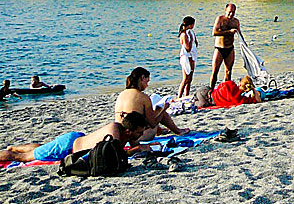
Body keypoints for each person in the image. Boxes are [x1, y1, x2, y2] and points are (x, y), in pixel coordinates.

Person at [0, 112, 150, 163]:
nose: (141, 135)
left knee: (41, 148)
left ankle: (14, 147)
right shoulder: (115, 131)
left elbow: (134, 142)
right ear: (129, 131)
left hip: (77, 140)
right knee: (22, 157)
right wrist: (136, 149)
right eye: (139, 132)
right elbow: (114, 154)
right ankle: (11, 152)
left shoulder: (123, 131)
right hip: (68, 148)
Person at [114, 67, 189, 141]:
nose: (147, 85)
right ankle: (178, 131)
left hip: (122, 134)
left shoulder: (122, 94)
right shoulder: (143, 97)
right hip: (136, 136)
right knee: (159, 110)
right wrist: (164, 108)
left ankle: (160, 130)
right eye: (147, 82)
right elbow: (153, 123)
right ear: (142, 78)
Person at [210, 3, 240, 89]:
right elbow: (214, 32)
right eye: (229, 12)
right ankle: (211, 90)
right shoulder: (220, 19)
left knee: (228, 71)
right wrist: (229, 32)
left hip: (230, 48)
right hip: (219, 48)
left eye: (233, 12)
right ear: (225, 10)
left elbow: (239, 33)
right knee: (215, 71)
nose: (231, 14)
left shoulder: (236, 21)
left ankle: (226, 90)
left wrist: (245, 45)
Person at [177, 16, 198, 98]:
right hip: (186, 56)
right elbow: (187, 48)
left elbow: (196, 43)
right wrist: (191, 39)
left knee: (190, 79)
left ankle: (186, 95)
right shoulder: (184, 34)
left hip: (192, 56)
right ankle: (179, 96)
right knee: (185, 79)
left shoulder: (191, 32)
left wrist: (194, 39)